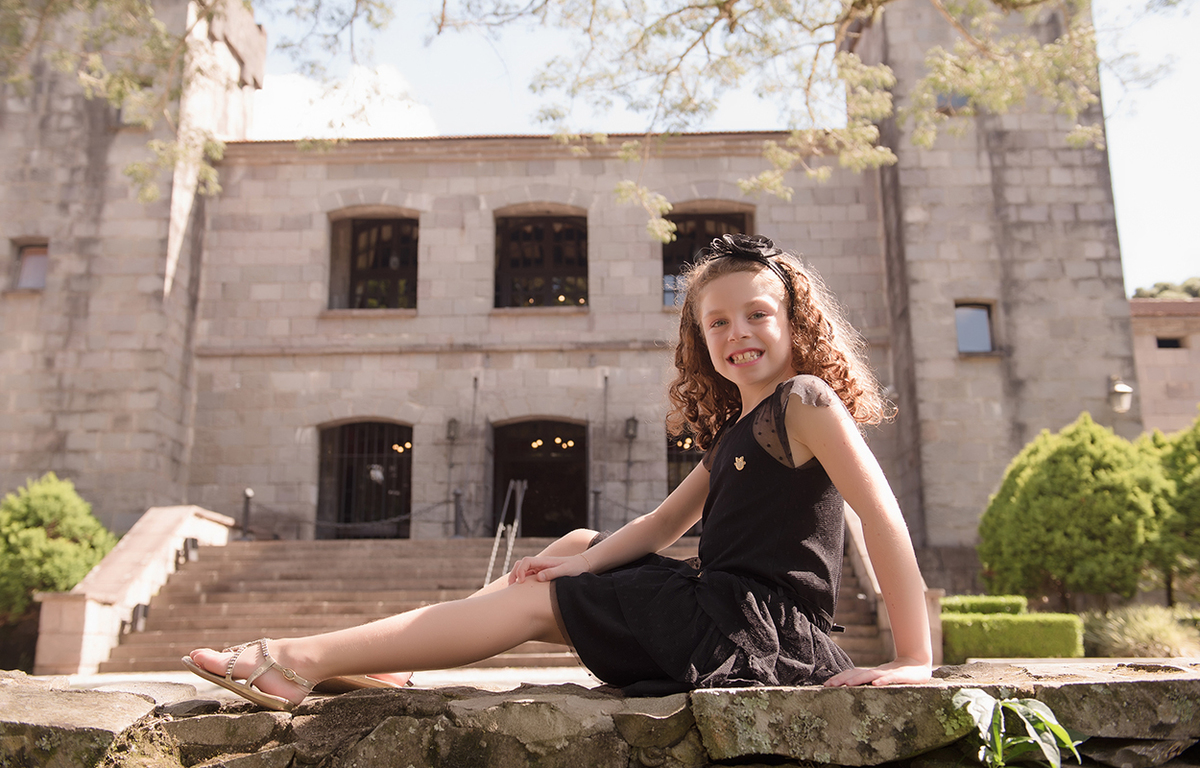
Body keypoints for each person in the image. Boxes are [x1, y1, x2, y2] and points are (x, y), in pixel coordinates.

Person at [184, 233, 933, 711]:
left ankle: (296, 659)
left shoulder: (805, 401)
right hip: (720, 611)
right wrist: (567, 565)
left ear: (795, 322)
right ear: (700, 338)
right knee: (574, 547)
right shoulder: (739, 428)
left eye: (758, 314)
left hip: (753, 634)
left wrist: (913, 657)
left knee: (545, 595)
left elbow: (880, 515)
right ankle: (394, 660)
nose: (738, 332)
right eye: (718, 322)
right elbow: (661, 525)